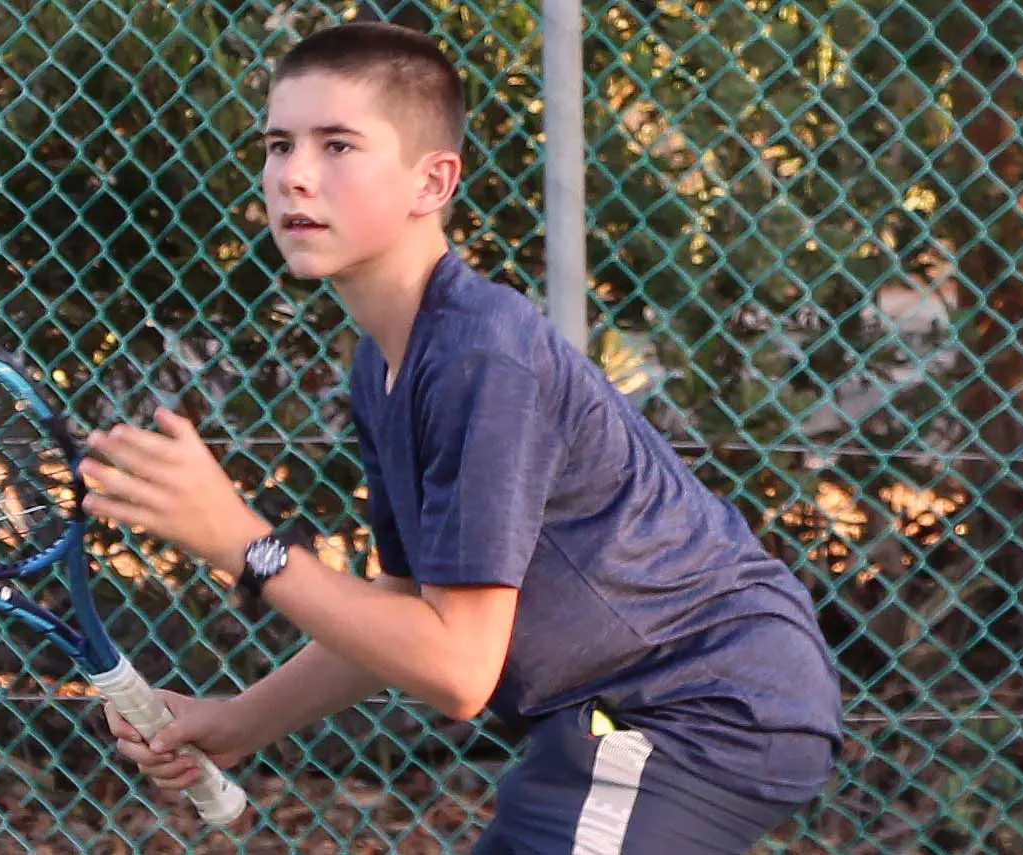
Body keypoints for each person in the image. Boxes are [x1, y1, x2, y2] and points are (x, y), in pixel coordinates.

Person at [73, 20, 844, 853]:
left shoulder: (484, 355)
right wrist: (236, 722)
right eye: (278, 143)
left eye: (337, 145)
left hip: (702, 711)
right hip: (614, 720)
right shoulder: (387, 362)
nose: (293, 175)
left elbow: (455, 671)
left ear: (432, 181)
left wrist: (243, 543)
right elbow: (408, 613)